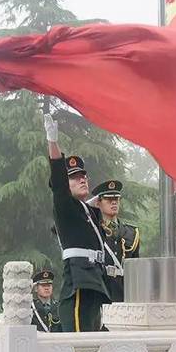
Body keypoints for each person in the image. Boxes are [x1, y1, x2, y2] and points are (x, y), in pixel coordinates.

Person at [44, 113, 111, 333]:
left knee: (93, 342)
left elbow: (95, 205)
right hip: (79, 282)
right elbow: (59, 183)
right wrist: (53, 142)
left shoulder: (87, 211)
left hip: (94, 280)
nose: (82, 179)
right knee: (81, 346)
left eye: (84, 176)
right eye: (75, 177)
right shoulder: (65, 207)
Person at [90, 179, 141, 302]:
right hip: (100, 292)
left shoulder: (131, 232)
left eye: (116, 199)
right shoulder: (92, 230)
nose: (114, 203)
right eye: (108, 200)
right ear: (98, 203)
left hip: (125, 294)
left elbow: (135, 268)